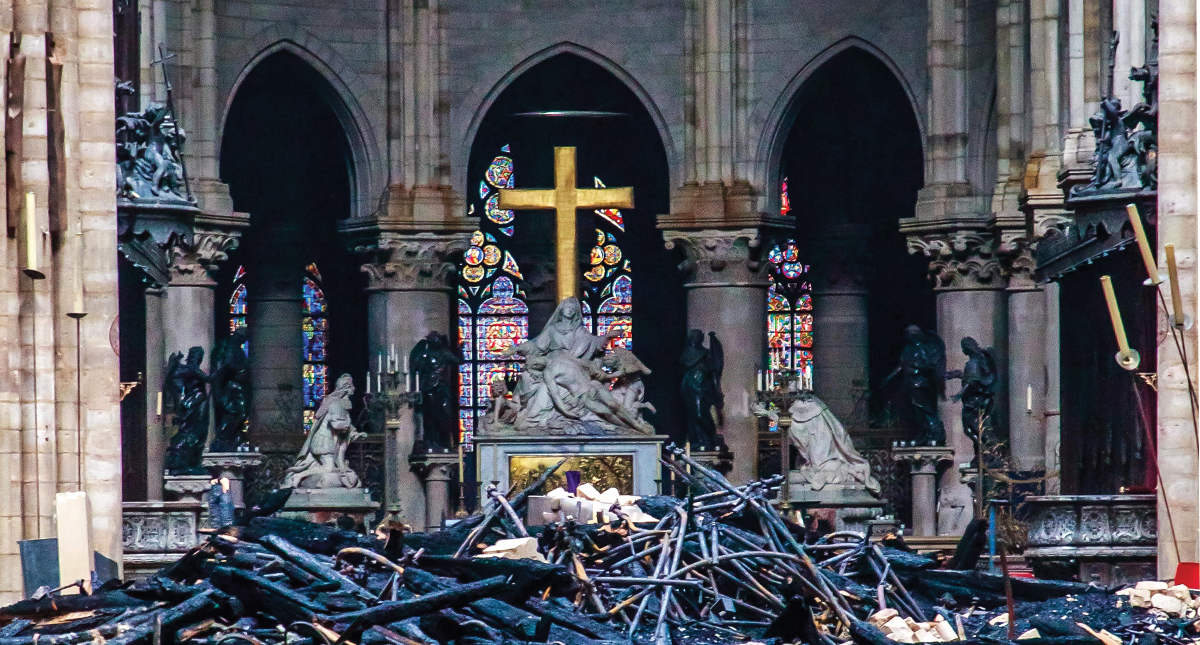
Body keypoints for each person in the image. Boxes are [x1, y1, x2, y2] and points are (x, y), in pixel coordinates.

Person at [285, 374, 365, 489]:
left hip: (330, 440)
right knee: (328, 468)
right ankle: (298, 476)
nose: (354, 389)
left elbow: (344, 422)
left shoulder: (341, 403)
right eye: (351, 386)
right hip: (324, 440)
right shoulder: (335, 403)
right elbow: (336, 424)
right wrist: (347, 426)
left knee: (331, 468)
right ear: (345, 388)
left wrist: (355, 433)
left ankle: (300, 475)